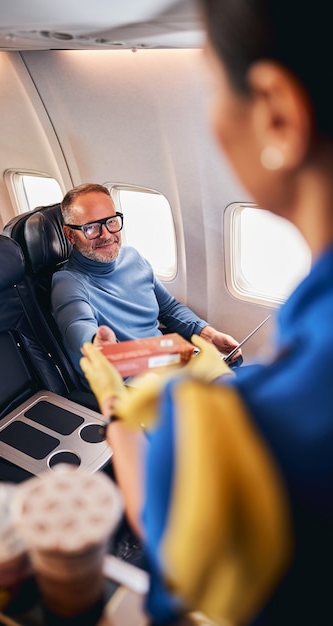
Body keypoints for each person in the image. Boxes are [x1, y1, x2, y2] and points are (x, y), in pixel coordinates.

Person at [79, 1, 333, 625]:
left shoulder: (257, 429)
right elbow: (92, 340)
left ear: (276, 114)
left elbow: (169, 528)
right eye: (91, 226)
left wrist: (189, 339)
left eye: (213, 86)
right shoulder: (68, 288)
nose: (107, 233)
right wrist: (160, 363)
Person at [51, 182, 241, 387]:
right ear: (70, 235)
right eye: (91, 228)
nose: (106, 235)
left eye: (111, 222)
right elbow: (76, 326)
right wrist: (95, 344)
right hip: (129, 381)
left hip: (165, 362)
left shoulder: (133, 258)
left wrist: (207, 333)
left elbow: (168, 308)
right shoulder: (68, 283)